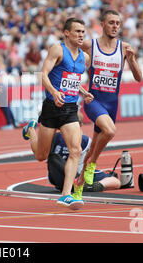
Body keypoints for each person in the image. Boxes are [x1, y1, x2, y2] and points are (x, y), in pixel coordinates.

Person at [21, 18, 94, 209]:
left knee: (76, 150)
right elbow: (43, 74)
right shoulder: (57, 50)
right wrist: (53, 93)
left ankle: (65, 195)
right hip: (51, 108)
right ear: (67, 33)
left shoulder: (84, 58)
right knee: (40, 155)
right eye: (77, 31)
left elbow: (70, 79)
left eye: (83, 32)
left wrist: (83, 92)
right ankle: (31, 131)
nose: (81, 35)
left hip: (70, 109)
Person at [76, 10, 143, 194]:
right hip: (93, 100)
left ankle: (78, 187)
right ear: (103, 25)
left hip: (112, 104)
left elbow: (139, 78)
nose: (115, 26)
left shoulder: (124, 48)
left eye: (117, 23)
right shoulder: (90, 45)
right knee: (110, 131)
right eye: (111, 22)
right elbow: (70, 50)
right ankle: (92, 165)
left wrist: (132, 60)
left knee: (94, 145)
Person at [47, 111, 121, 193]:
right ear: (81, 125)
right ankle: (97, 184)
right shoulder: (85, 140)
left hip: (55, 178)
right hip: (76, 176)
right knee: (115, 180)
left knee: (53, 158)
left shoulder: (54, 137)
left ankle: (93, 186)